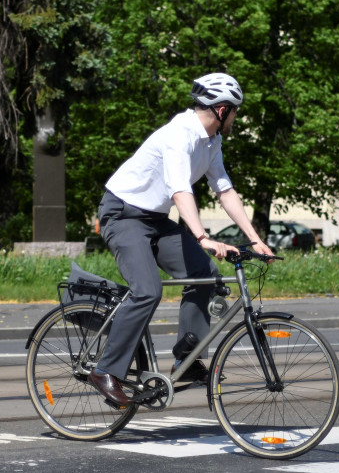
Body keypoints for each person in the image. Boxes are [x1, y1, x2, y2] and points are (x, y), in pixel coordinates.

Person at [89, 73, 274, 407]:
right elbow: (179, 190)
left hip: (155, 219)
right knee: (148, 290)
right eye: (235, 112)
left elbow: (225, 190)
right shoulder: (180, 134)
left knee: (206, 276)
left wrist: (255, 238)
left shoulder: (211, 140)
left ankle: (185, 361)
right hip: (123, 214)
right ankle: (105, 371)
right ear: (221, 110)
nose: (236, 118)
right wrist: (202, 236)